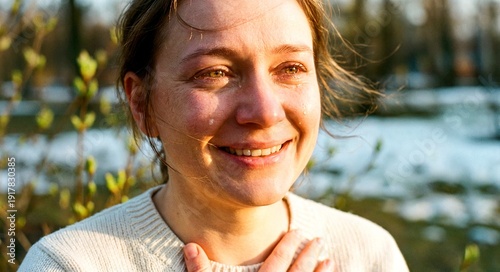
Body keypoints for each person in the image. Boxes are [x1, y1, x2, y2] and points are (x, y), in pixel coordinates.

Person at [19, 0, 409, 271]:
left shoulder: (370, 255)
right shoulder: (68, 264)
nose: (265, 111)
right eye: (214, 73)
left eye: (290, 68)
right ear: (142, 104)